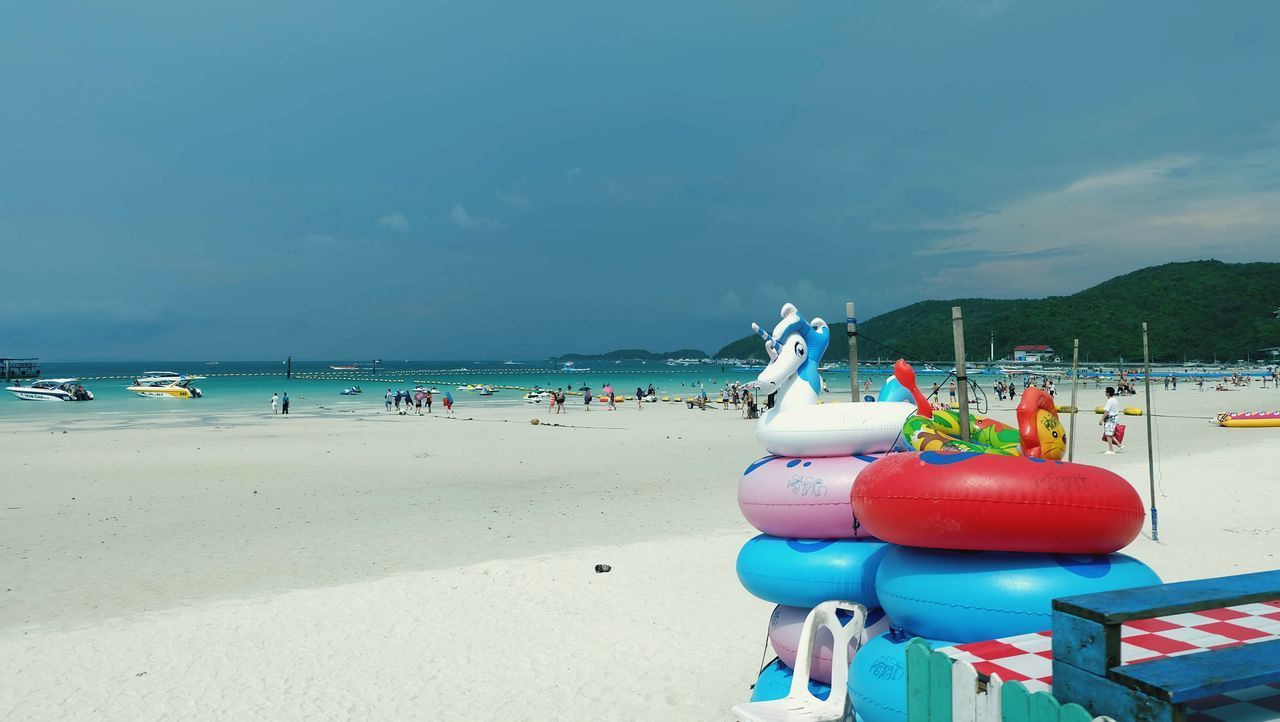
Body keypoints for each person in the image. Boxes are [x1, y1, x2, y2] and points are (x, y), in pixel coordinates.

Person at [1099, 386, 1122, 454]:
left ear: (1108, 393)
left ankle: (1111, 449)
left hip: (1110, 419)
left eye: (1106, 391)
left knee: (1108, 434)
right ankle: (1119, 445)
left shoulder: (1110, 401)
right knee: (1110, 433)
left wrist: (1101, 419)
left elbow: (1106, 411)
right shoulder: (1115, 400)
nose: (1105, 393)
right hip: (1114, 418)